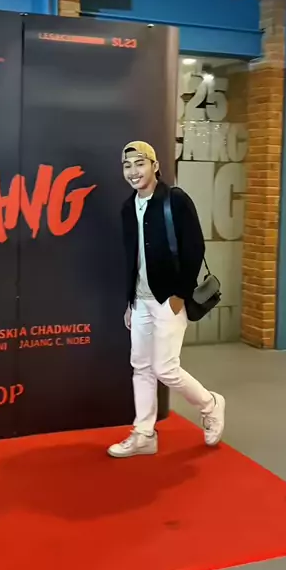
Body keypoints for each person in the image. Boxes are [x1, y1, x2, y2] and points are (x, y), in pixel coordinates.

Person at [107, 141, 225, 458]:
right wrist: (130, 301)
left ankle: (211, 404)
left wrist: (180, 295)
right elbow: (132, 259)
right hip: (140, 301)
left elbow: (194, 248)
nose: (133, 171)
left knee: (166, 369)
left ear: (155, 166)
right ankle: (144, 434)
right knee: (141, 367)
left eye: (139, 163)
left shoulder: (175, 200)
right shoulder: (127, 207)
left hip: (168, 300)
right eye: (127, 165)